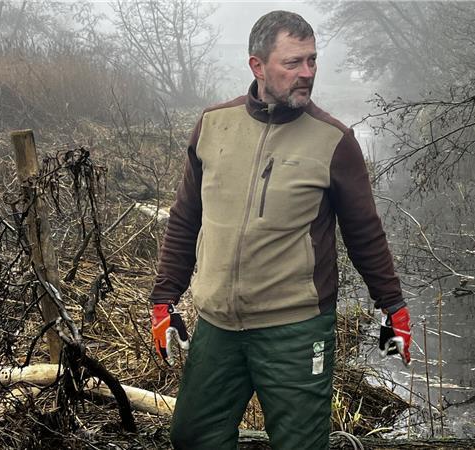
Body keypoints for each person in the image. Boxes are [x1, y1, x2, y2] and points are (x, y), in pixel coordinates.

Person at [147, 10, 411, 450]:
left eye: (312, 61)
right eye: (293, 63)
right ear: (257, 65)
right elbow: (186, 218)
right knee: (194, 437)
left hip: (296, 327)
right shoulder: (214, 125)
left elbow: (364, 233)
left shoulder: (334, 140)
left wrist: (394, 307)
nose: (306, 73)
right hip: (218, 324)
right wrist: (164, 297)